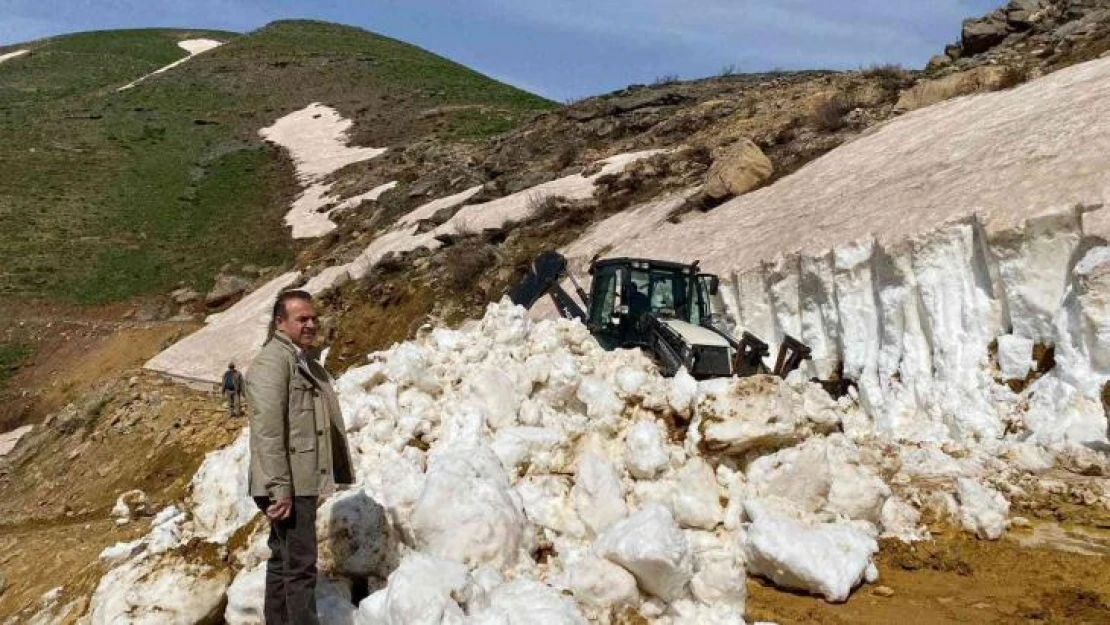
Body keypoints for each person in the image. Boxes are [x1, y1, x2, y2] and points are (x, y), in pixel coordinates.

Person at [247, 289, 354, 625]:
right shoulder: (272, 362)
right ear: (280, 323)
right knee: (301, 568)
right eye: (301, 319)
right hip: (289, 482)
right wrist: (280, 488)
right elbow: (267, 430)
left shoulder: (297, 359)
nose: (310, 324)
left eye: (313, 318)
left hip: (296, 478)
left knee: (284, 560)